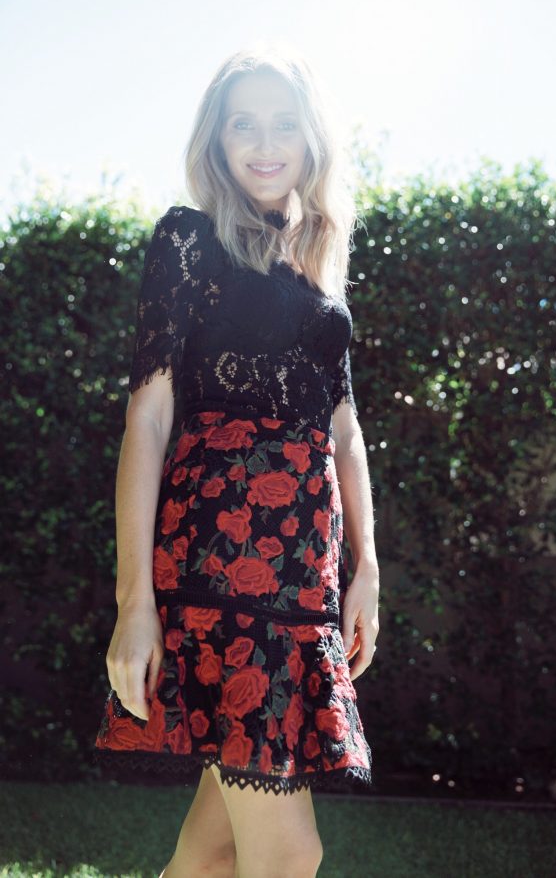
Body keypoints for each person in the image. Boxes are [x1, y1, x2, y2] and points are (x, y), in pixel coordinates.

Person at [92, 44, 380, 878]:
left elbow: (345, 428)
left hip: (303, 580)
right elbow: (148, 419)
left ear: (311, 137)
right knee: (290, 856)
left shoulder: (319, 263)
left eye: (284, 123)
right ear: (216, 140)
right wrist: (133, 602)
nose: (264, 143)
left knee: (212, 849)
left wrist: (367, 569)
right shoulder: (190, 241)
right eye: (242, 124)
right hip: (221, 570)